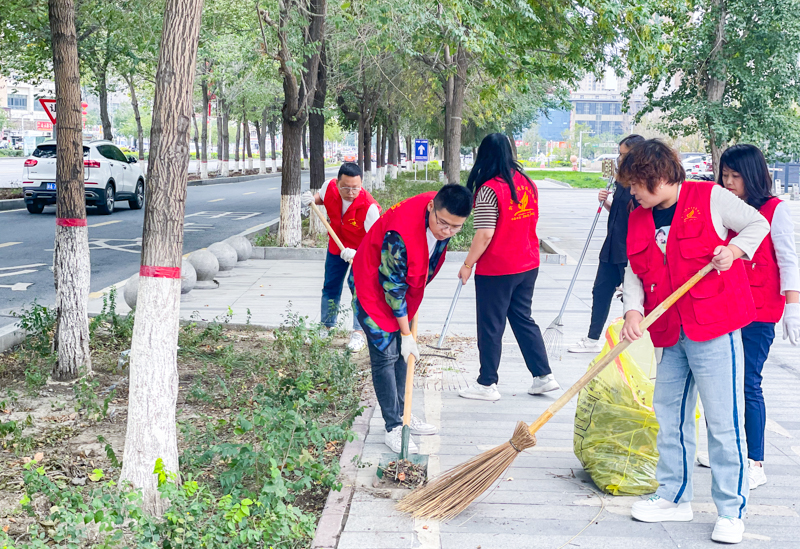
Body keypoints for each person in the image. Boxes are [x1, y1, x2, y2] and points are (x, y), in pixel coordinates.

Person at [618, 139, 769, 544]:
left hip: (714, 326)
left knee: (723, 422)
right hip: (669, 330)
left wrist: (734, 249)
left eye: (637, 183)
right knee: (669, 415)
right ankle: (673, 494)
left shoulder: (710, 197)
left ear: (662, 177)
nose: (631, 191)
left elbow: (758, 224)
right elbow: (634, 271)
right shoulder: (638, 218)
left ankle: (732, 510)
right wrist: (632, 310)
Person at [351, 184, 473, 453]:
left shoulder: (443, 212)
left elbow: (425, 263)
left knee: (404, 354)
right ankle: (393, 426)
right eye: (443, 224)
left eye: (456, 227)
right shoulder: (400, 233)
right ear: (431, 207)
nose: (447, 232)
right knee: (386, 355)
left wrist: (409, 315)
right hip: (371, 285)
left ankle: (404, 414)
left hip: (401, 289)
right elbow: (391, 287)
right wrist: (406, 334)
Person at [715, 144, 800, 489]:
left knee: (748, 382)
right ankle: (726, 449)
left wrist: (792, 306)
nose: (730, 182)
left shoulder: (774, 209)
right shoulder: (721, 205)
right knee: (720, 382)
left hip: (759, 309)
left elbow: (788, 259)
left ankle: (755, 461)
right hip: (723, 306)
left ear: (753, 175)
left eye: (736, 176)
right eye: (725, 175)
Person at [454, 133, 558, 401]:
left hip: (498, 269)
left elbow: (485, 233)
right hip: (527, 264)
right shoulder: (527, 182)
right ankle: (543, 376)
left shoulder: (489, 188)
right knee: (523, 318)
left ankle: (487, 383)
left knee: (491, 325)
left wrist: (468, 264)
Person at [568, 134, 645, 353]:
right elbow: (621, 212)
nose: (620, 159)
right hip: (612, 245)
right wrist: (606, 201)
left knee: (632, 295)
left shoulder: (642, 183)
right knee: (600, 291)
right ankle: (592, 339)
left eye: (624, 154)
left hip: (630, 249)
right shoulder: (621, 180)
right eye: (619, 154)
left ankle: (637, 339)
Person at [301, 162, 380, 352]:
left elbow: (377, 244)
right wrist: (311, 199)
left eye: (356, 188)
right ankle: (327, 327)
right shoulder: (329, 187)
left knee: (359, 290)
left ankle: (358, 333)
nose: (351, 192)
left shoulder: (369, 208)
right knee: (330, 286)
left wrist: (357, 254)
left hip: (361, 252)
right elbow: (322, 198)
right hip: (336, 247)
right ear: (337, 183)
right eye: (346, 187)